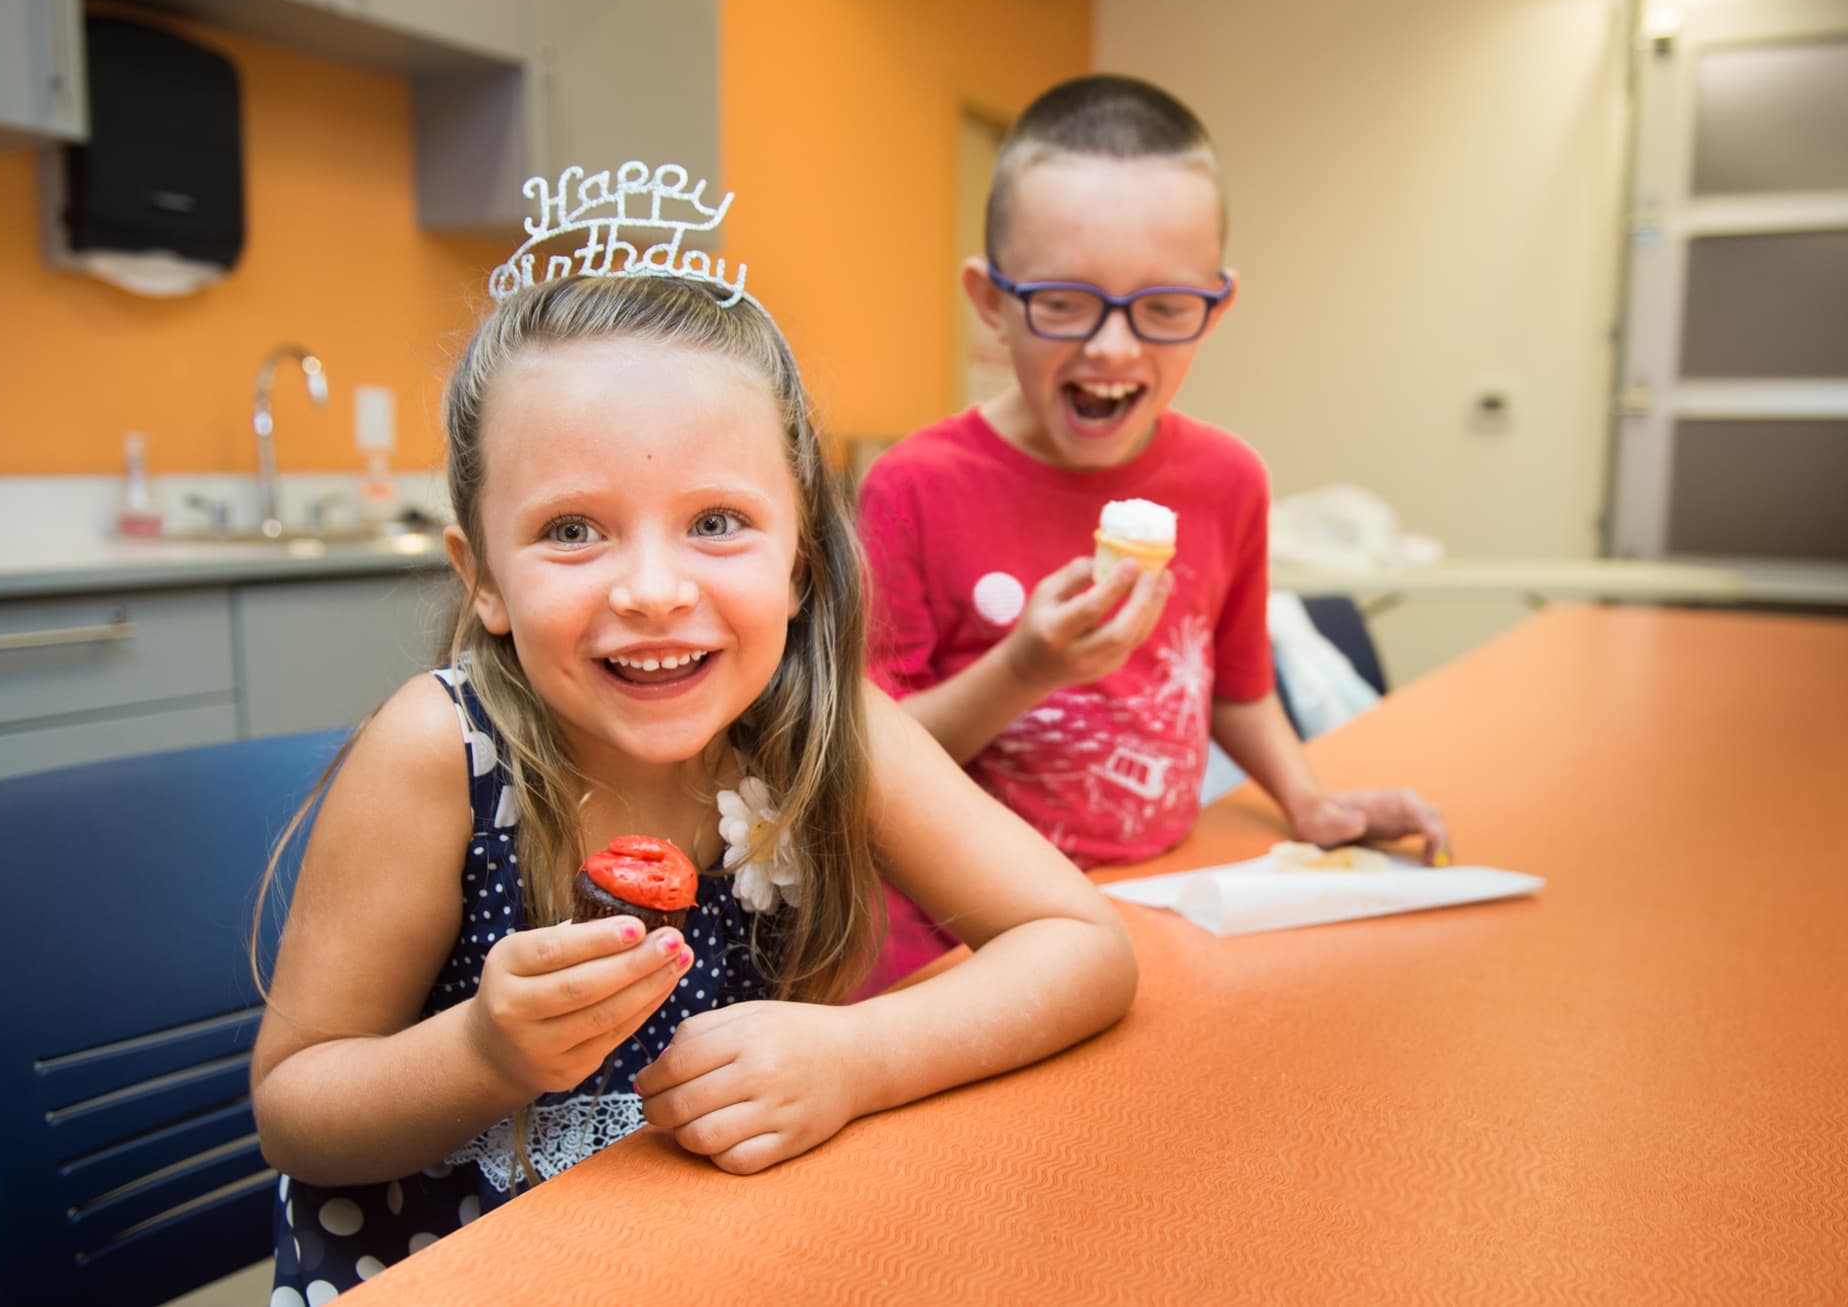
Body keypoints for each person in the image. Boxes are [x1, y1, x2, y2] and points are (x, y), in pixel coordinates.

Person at [249, 251, 1137, 1297]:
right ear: (481, 575)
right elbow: (295, 1108)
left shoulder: (825, 723)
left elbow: (1081, 944)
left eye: (715, 522)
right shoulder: (437, 751)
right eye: (571, 530)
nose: (654, 589)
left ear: (800, 560)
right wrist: (484, 1053)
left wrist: (859, 1056)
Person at [856, 74, 1449, 985]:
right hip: (966, 932)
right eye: (1063, 301)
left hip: (1167, 896)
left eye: (1165, 308)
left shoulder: (1228, 482)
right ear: (990, 297)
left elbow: (1240, 690)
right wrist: (1024, 670)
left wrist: (1308, 798)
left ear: (1219, 301)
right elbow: (868, 761)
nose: (1113, 349)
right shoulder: (913, 488)